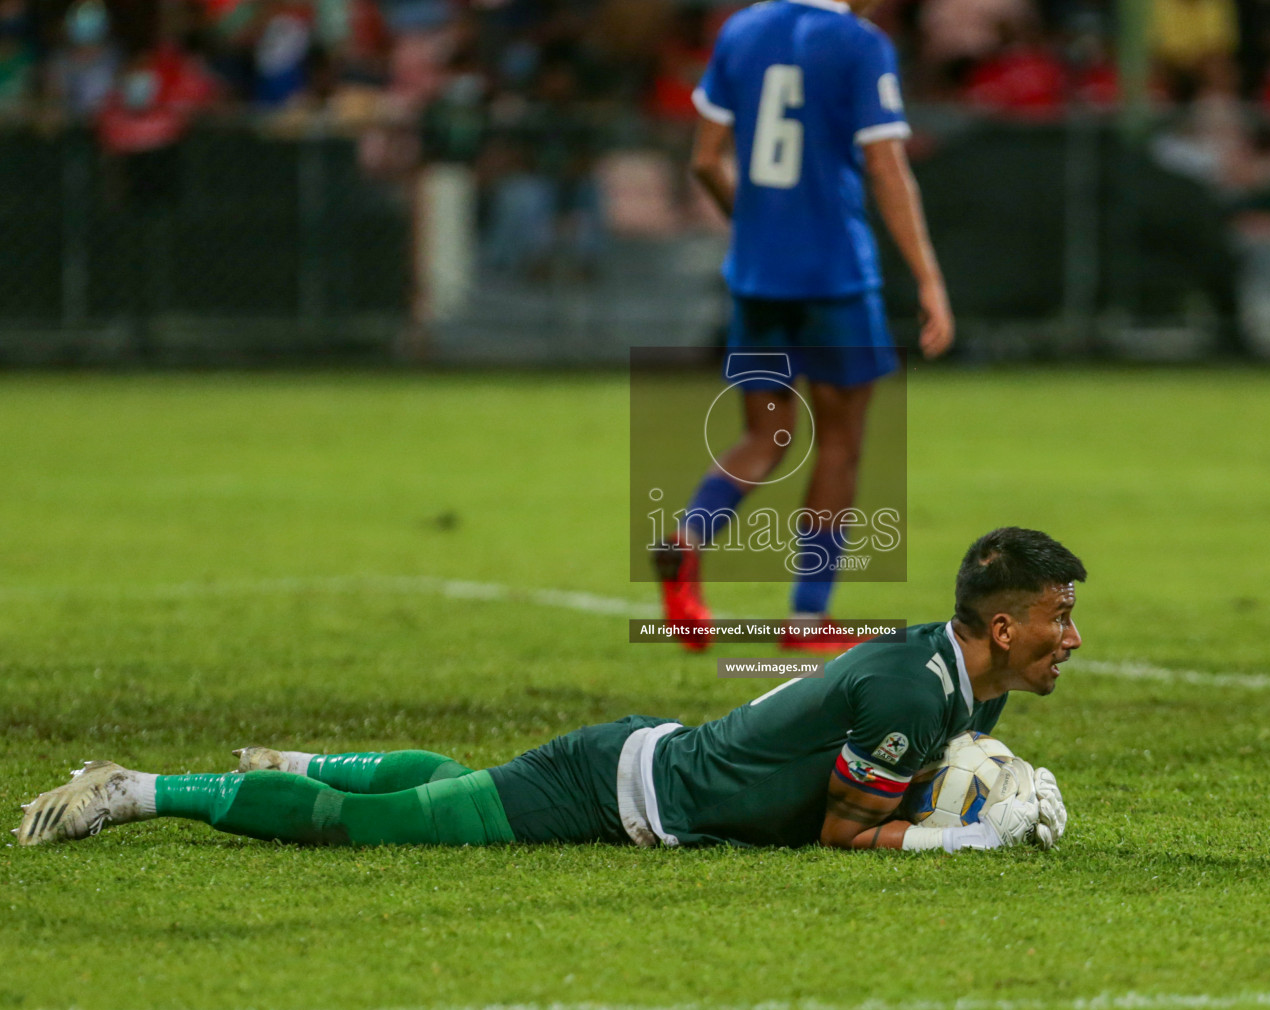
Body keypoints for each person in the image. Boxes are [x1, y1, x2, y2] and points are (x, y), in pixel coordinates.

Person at [16, 528, 1080, 855]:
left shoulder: (964, 686)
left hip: (655, 769)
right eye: (1057, 616)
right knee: (378, 830)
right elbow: (848, 835)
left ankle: (306, 757)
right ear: (1001, 624)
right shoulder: (909, 684)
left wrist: (992, 780)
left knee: (460, 790)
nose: (1069, 638)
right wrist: (973, 833)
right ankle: (135, 790)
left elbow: (897, 783)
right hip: (622, 788)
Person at [654, 0, 955, 654]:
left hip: (758, 277)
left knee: (765, 435)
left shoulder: (740, 31)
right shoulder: (859, 43)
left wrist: (756, 228)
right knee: (841, 441)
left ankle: (686, 540)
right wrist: (929, 278)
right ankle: (807, 620)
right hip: (834, 277)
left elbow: (705, 158)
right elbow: (885, 165)